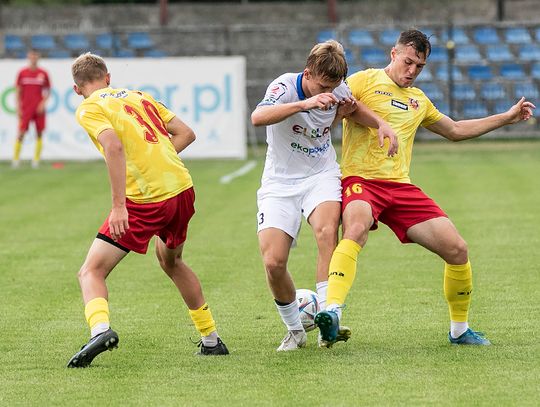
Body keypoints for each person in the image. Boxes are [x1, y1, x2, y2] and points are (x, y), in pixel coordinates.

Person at [315, 29, 535, 347]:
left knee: (457, 249)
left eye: (419, 66)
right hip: (360, 180)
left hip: (401, 188)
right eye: (408, 62)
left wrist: (506, 117)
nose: (412, 71)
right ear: (394, 54)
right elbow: (332, 113)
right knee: (356, 227)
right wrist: (349, 116)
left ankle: (459, 330)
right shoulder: (363, 81)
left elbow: (455, 129)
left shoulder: (419, 101)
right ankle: (332, 311)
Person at [67, 53, 228, 368]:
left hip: (146, 200)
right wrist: (155, 163)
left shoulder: (90, 106)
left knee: (91, 271)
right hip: (182, 190)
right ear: (108, 77)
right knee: (172, 261)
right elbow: (186, 134)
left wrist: (118, 206)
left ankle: (99, 330)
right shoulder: (141, 97)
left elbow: (113, 146)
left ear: (77, 89)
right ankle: (211, 340)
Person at [251, 40, 398, 351]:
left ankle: (328, 318)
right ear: (307, 74)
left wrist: (382, 124)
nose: (329, 92)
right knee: (274, 262)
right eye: (323, 86)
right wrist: (305, 104)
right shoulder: (284, 87)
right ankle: (295, 331)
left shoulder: (338, 88)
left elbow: (356, 110)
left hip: (321, 174)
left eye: (335, 86)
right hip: (280, 182)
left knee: (327, 231)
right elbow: (258, 117)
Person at [12, 49, 51, 169]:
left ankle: (36, 161)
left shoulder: (43, 73)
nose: (33, 58)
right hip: (26, 108)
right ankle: (16, 160)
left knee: (39, 133)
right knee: (21, 133)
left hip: (38, 109)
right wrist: (18, 107)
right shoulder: (22, 73)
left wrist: (43, 103)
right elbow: (18, 91)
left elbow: (48, 91)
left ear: (38, 57)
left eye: (35, 55)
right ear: (28, 57)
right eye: (32, 55)